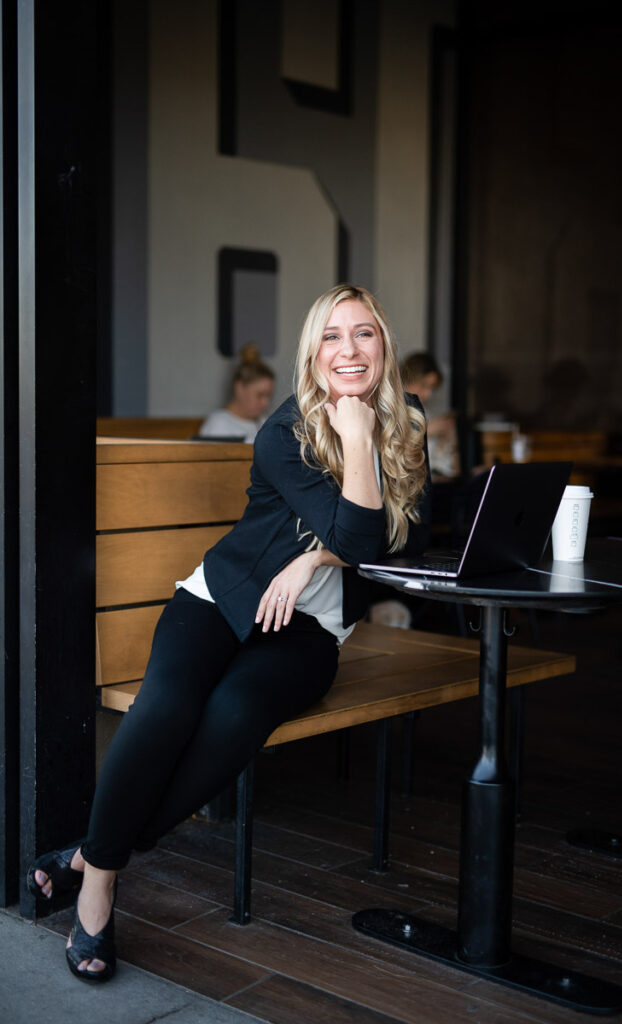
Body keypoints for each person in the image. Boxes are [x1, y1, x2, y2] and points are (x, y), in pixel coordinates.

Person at [28, 284, 431, 983]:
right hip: (222, 594)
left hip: (307, 627)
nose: (349, 349)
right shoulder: (285, 430)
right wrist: (350, 450)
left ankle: (92, 853)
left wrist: (314, 551)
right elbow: (364, 532)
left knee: (236, 714)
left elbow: (390, 541)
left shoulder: (407, 423)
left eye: (363, 334)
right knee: (167, 708)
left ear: (382, 347)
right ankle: (98, 890)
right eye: (332, 336)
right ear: (314, 354)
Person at [400, 352, 459, 480]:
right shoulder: (392, 409)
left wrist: (448, 439)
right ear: (409, 378)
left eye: (431, 388)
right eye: (423, 386)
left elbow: (451, 468)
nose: (428, 394)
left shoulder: (426, 412)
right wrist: (427, 431)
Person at [199, 343, 275, 442]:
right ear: (239, 388)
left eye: (268, 396)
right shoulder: (218, 425)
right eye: (259, 395)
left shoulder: (265, 422)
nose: (265, 403)